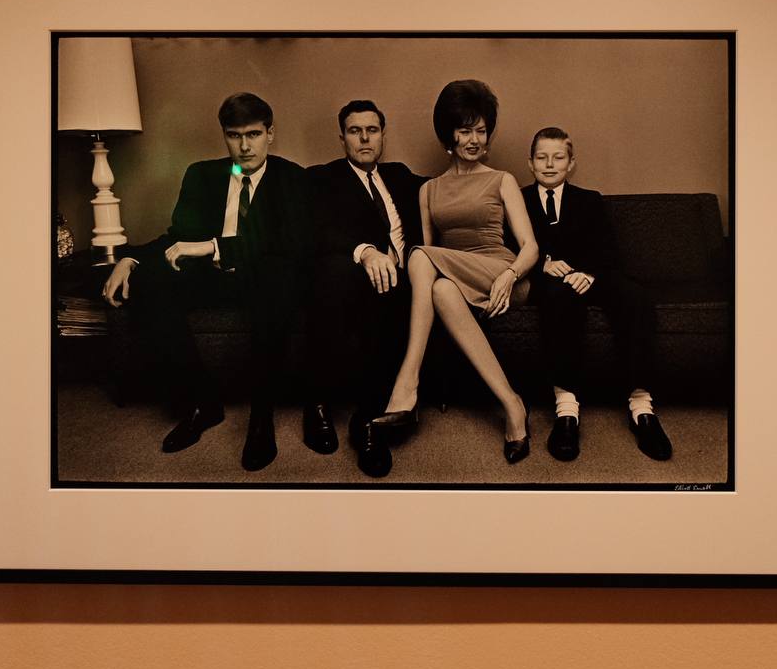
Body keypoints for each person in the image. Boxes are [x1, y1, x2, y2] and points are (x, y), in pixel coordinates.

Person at [101, 92, 316, 472]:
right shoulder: (202, 175)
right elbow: (177, 236)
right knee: (150, 279)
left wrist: (214, 245)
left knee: (278, 273)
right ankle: (202, 401)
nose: (245, 146)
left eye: (253, 134)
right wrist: (129, 260)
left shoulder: (292, 178)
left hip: (264, 278)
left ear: (270, 133)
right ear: (225, 136)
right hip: (212, 278)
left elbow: (290, 244)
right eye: (234, 136)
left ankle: (261, 416)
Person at [374, 79, 539, 464]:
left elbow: (530, 247)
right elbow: (434, 258)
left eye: (480, 130)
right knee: (438, 288)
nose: (474, 140)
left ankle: (407, 382)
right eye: (465, 131)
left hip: (501, 274)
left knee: (419, 256)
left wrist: (510, 275)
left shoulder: (502, 180)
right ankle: (512, 403)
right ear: (448, 134)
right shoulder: (429, 190)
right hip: (456, 281)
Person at [521, 126, 672, 462]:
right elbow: (507, 246)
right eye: (542, 158)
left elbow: (608, 250)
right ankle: (566, 410)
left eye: (558, 157)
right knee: (558, 299)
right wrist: (542, 264)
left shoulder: (589, 199)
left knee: (635, 296)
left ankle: (642, 407)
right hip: (549, 280)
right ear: (530, 163)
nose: (550, 164)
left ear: (571, 163)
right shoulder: (519, 200)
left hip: (591, 275)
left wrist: (588, 274)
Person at [306, 101, 427, 478]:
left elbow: (450, 190)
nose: (364, 138)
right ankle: (321, 405)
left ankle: (366, 420)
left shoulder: (400, 175)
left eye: (371, 130)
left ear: (382, 135)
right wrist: (365, 251)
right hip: (357, 276)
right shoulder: (324, 177)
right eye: (355, 131)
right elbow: (318, 230)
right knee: (342, 276)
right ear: (342, 138)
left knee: (397, 293)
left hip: (410, 278)